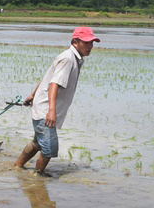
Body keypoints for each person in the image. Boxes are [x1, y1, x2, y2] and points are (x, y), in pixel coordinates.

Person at [14, 26, 100, 175]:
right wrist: (51, 111)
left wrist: (33, 95)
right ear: (75, 42)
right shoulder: (68, 58)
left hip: (44, 108)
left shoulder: (74, 58)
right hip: (46, 111)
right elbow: (54, 84)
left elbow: (48, 78)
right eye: (86, 43)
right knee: (49, 149)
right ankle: (37, 177)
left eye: (91, 43)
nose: (90, 46)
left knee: (37, 143)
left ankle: (17, 166)